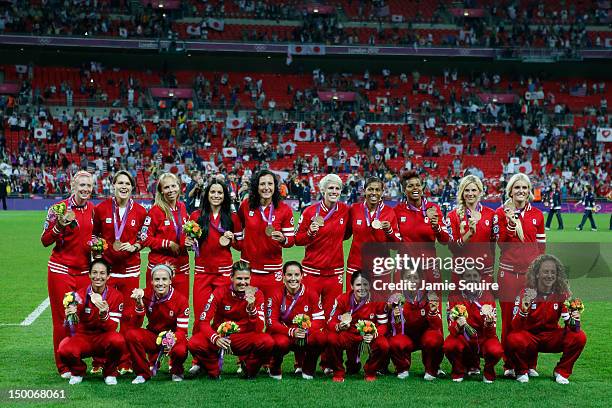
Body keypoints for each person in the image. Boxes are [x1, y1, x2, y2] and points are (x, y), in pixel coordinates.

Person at [41, 170, 95, 377]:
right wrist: (58, 226)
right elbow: (45, 240)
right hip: (60, 270)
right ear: (73, 186)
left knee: (81, 318)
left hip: (83, 272)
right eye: (81, 185)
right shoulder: (58, 208)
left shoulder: (93, 210)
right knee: (63, 318)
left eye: (88, 186)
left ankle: (75, 357)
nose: (85, 189)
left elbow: (92, 239)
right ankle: (63, 365)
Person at [93, 170, 147, 374]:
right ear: (113, 185)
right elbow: (94, 236)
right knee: (102, 314)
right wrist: (100, 247)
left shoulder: (141, 211)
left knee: (128, 316)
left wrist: (135, 247)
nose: (123, 186)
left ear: (132, 187)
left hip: (130, 271)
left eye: (127, 183)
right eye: (120, 183)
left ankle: (125, 361)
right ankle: (99, 360)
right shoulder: (101, 209)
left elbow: (144, 237)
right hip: (108, 272)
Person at [187, 179, 242, 375]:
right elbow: (190, 242)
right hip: (202, 273)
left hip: (224, 273)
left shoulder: (232, 217)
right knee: (201, 316)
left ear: (225, 195)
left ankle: (236, 357)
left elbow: (240, 246)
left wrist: (233, 239)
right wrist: (188, 241)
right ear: (207, 195)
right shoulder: (196, 215)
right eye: (213, 192)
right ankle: (198, 360)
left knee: (224, 316)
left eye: (220, 192)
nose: (216, 195)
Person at [505, 255, 587, 384]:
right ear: (537, 274)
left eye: (553, 272)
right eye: (546, 271)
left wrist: (575, 320)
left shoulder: (561, 294)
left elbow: (572, 328)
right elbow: (515, 326)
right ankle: (522, 370)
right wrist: (523, 311)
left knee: (579, 336)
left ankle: (561, 372)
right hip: (530, 338)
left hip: (551, 337)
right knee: (513, 338)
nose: (549, 275)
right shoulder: (526, 293)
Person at [495, 173, 545, 377]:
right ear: (510, 191)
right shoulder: (500, 212)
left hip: (531, 276)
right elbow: (501, 244)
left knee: (531, 319)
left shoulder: (538, 215)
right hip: (508, 274)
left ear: (529, 191)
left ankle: (530, 363)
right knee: (508, 319)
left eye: (524, 188)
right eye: (517, 188)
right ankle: (509, 364)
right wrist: (509, 222)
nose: (521, 191)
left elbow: (541, 247)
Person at [188, 261, 274, 379]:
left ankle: (249, 367)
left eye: (246, 278)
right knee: (194, 342)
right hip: (220, 337)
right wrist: (216, 338)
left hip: (243, 338)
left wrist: (252, 309)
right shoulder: (220, 292)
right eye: (239, 278)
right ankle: (213, 368)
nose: (243, 282)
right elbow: (204, 321)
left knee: (267, 341)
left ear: (250, 278)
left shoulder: (257, 294)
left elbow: (259, 328)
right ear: (231, 277)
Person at [57, 259, 125, 385]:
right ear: (89, 275)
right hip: (84, 338)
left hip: (103, 337)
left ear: (108, 276)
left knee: (118, 341)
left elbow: (112, 327)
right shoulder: (79, 296)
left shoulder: (116, 296)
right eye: (94, 272)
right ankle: (78, 371)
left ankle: (110, 372)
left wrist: (104, 314)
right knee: (64, 348)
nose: (98, 276)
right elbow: (70, 331)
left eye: (102, 273)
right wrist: (69, 317)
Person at [295, 174, 351, 315]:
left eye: (337, 188)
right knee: (308, 314)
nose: (334, 191)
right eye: (330, 188)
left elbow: (347, 234)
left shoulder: (345, 211)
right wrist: (309, 233)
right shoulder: (309, 212)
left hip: (335, 273)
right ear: (323, 191)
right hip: (312, 272)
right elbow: (297, 239)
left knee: (331, 315)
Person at [126, 264, 189, 384]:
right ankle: (142, 373)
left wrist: (170, 340)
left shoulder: (181, 300)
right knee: (130, 335)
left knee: (180, 350)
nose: (160, 283)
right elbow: (134, 326)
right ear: (151, 281)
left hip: (174, 337)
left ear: (170, 280)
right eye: (157, 279)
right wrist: (139, 306)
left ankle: (176, 370)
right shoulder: (145, 295)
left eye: (164, 279)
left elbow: (182, 331)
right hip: (153, 336)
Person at [237, 170, 295, 298]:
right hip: (248, 271)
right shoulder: (246, 206)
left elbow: (291, 241)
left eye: (270, 184)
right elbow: (237, 227)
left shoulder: (284, 209)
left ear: (275, 186)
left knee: (272, 314)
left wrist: (283, 239)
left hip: (272, 272)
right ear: (256, 186)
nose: (266, 188)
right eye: (262, 184)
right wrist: (241, 244)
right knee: (248, 312)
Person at [266, 261, 327, 380]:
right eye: (289, 275)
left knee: (321, 338)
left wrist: (307, 330)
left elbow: (320, 319)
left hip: (305, 333)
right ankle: (275, 367)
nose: (293, 279)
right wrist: (291, 331)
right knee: (279, 343)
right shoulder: (275, 294)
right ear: (283, 277)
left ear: (302, 276)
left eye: (296, 275)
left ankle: (308, 368)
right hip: (285, 334)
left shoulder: (311, 293)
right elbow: (271, 322)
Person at [443, 268, 503, 383]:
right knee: (449, 345)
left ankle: (488, 371)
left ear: (480, 278)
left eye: (475, 275)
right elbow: (451, 329)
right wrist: (458, 325)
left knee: (495, 350)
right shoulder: (453, 297)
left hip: (482, 339)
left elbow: (491, 334)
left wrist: (489, 324)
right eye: (468, 276)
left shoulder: (488, 297)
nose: (472, 279)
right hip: (462, 338)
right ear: (461, 279)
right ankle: (459, 370)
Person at [326, 272, 389, 382]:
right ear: (351, 286)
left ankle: (370, 370)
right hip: (348, 334)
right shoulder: (342, 299)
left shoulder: (378, 299)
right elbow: (331, 321)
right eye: (358, 285)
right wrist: (339, 326)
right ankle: (339, 371)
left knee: (383, 344)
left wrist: (374, 334)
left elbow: (383, 324)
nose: (362, 288)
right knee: (332, 338)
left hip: (367, 335)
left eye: (365, 285)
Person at [394, 172, 450, 284]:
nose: (415, 188)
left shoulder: (434, 209)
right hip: (406, 267)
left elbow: (445, 240)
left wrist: (436, 227)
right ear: (404, 190)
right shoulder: (397, 211)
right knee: (402, 300)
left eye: (418, 185)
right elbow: (392, 243)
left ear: (422, 187)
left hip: (429, 266)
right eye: (410, 186)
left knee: (433, 301)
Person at [387, 268, 444, 380]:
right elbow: (394, 329)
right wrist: (396, 317)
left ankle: (431, 369)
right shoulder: (396, 298)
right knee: (395, 341)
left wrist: (433, 312)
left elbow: (437, 327)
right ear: (402, 280)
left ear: (421, 280)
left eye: (415, 278)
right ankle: (402, 368)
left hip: (425, 336)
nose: (412, 281)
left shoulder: (429, 296)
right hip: (407, 336)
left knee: (434, 339)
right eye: (408, 277)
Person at [140, 173, 189, 298]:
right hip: (160, 267)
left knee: (182, 306)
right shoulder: (155, 211)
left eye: (173, 186)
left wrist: (189, 241)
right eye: (166, 187)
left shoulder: (182, 207)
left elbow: (184, 232)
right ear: (161, 191)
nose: (171, 190)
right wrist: (168, 244)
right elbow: (144, 238)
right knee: (158, 309)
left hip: (181, 267)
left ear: (179, 187)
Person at [447, 175, 498, 284]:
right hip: (461, 271)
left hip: (485, 270)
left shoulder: (491, 214)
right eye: (467, 190)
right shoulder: (452, 216)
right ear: (462, 192)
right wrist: (468, 235)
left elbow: (493, 245)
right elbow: (452, 248)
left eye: (474, 190)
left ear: (480, 192)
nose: (470, 194)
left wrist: (491, 265)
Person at [346, 177, 401, 277]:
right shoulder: (354, 209)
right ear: (364, 190)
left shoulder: (389, 212)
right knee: (353, 293)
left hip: (380, 267)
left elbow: (396, 245)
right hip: (356, 266)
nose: (374, 193)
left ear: (382, 192)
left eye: (377, 190)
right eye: (370, 189)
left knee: (380, 293)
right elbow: (344, 235)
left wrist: (389, 230)